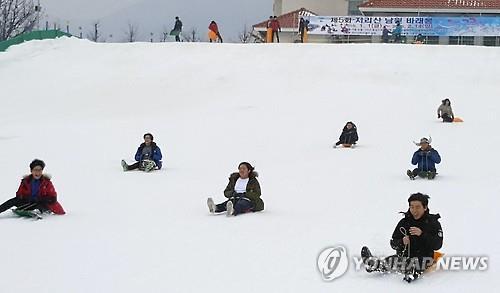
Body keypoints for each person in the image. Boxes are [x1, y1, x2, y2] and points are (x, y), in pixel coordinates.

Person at [361, 193, 443, 282]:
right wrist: (401, 241)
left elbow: (437, 245)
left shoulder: (433, 223)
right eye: (412, 207)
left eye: (418, 207)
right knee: (391, 261)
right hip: (404, 256)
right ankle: (372, 264)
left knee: (416, 263)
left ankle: (411, 273)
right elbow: (393, 243)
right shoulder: (404, 222)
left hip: (424, 257)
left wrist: (422, 234)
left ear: (425, 207)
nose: (414, 210)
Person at [0, 159, 65, 216]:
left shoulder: (47, 182)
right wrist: (26, 198)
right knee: (13, 201)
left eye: (40, 170)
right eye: (35, 170)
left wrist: (40, 199)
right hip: (29, 202)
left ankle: (38, 211)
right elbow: (19, 195)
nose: (38, 172)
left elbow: (53, 198)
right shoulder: (25, 181)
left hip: (41, 204)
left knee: (38, 204)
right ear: (31, 171)